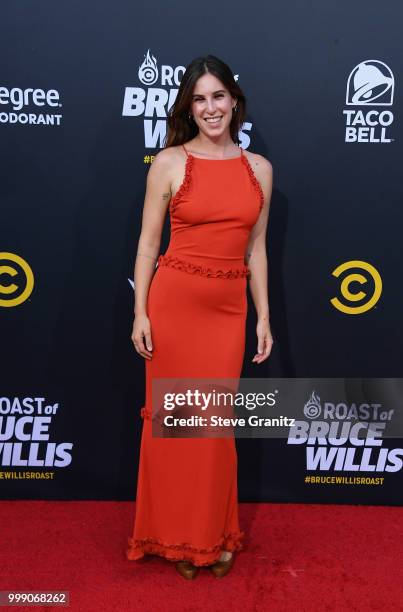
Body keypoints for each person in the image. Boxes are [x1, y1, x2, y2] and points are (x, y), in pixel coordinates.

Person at [127, 54, 273, 579]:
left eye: (218, 96)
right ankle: (175, 538)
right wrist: (140, 311)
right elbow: (147, 244)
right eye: (200, 98)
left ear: (234, 100)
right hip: (175, 305)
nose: (211, 108)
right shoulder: (169, 162)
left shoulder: (259, 169)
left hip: (227, 310)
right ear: (190, 106)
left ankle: (213, 534)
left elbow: (256, 249)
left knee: (213, 428)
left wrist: (263, 316)